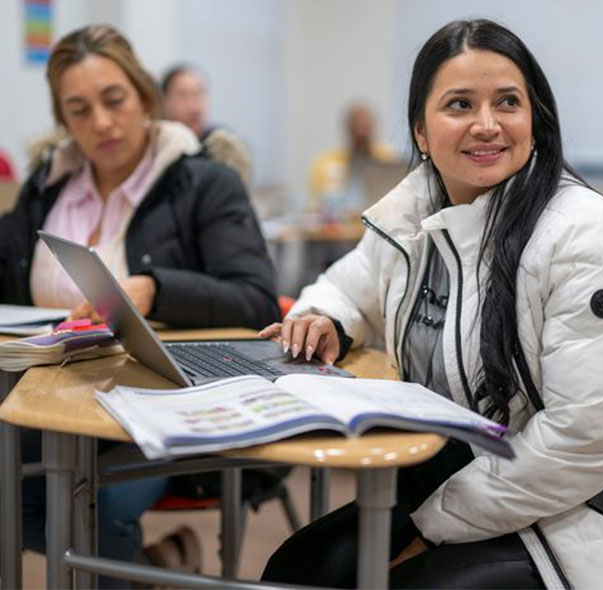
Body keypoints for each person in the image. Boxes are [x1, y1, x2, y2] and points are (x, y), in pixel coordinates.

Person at [259, 19, 603, 589]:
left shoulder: (584, 234)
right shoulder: (413, 214)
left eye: (507, 102)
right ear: (421, 132)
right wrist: (324, 317)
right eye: (459, 104)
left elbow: (581, 445)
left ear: (535, 119)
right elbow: (347, 284)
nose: (487, 125)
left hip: (585, 515)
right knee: (294, 571)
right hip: (456, 487)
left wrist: (427, 530)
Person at [0, 24, 280, 587]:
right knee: (16, 500)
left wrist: (155, 288)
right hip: (47, 401)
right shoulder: (47, 188)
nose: (100, 123)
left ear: (144, 96)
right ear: (63, 119)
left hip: (156, 405)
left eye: (114, 100)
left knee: (93, 507)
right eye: (78, 110)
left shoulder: (204, 182)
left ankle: (128, 572)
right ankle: (151, 569)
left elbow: (255, 298)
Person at [160, 63, 252, 185]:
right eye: (183, 96)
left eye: (199, 94)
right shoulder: (153, 150)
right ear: (163, 101)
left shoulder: (224, 150)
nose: (194, 107)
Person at [308, 101, 396, 215]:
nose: (361, 133)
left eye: (365, 127)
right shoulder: (325, 164)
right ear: (347, 129)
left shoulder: (389, 161)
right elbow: (317, 205)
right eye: (356, 127)